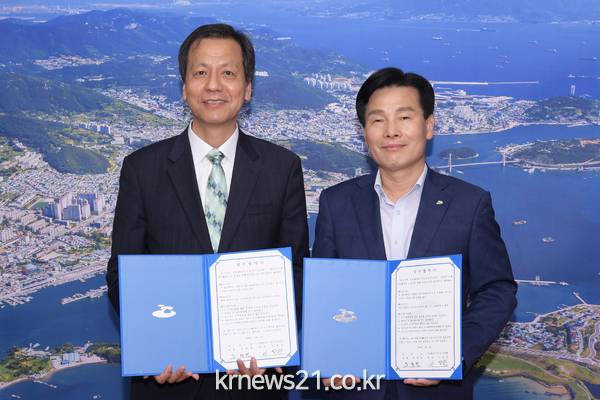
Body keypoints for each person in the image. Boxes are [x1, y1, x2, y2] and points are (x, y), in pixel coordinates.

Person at [106, 23, 309, 400]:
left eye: (228, 73)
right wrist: (154, 344)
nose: (214, 85)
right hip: (168, 381)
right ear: (184, 87)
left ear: (248, 88)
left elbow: (296, 270)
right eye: (201, 73)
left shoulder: (282, 168)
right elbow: (123, 274)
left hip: (255, 382)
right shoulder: (142, 169)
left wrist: (271, 346)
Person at [312, 67, 517, 400]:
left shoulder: (469, 204)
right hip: (355, 389)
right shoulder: (336, 203)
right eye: (377, 120)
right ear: (364, 132)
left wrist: (455, 355)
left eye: (404, 117)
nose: (391, 131)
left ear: (429, 125)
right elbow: (324, 294)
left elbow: (497, 290)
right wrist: (327, 357)